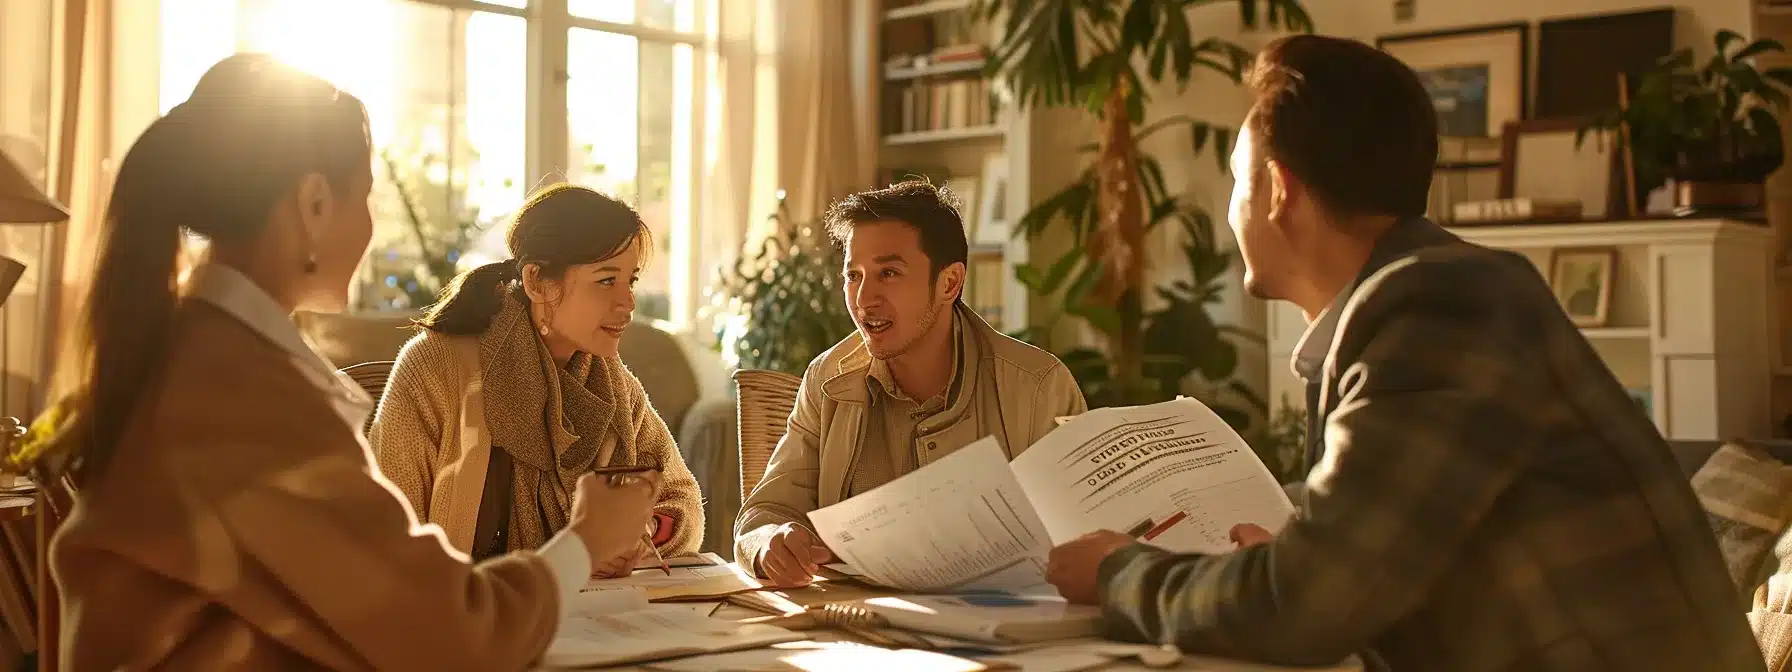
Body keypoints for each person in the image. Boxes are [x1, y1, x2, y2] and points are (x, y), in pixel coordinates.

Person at [1042, 35, 1762, 671]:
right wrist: (1288, 559)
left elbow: (1305, 609)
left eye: (1237, 180)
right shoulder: (1432, 297)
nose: (1231, 206)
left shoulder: (1438, 310)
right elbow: (1372, 570)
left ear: (1278, 192)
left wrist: (1118, 570)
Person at [47, 55, 661, 670]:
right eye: (365, 197)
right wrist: (585, 540)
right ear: (314, 203)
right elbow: (448, 635)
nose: (370, 226)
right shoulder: (241, 397)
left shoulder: (202, 355)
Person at [734, 180, 1087, 587]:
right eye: (853, 275)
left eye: (889, 273)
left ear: (950, 283)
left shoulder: (1038, 387)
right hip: (856, 632)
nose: (864, 298)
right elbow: (765, 512)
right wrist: (769, 544)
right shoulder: (827, 379)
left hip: (1002, 631)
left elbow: (1087, 533)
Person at [372, 184, 704, 576]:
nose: (627, 303)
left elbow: (683, 502)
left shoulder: (614, 388)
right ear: (536, 282)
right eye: (605, 281)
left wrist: (640, 532)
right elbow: (384, 541)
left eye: (629, 281)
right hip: (465, 620)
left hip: (593, 619)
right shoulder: (434, 369)